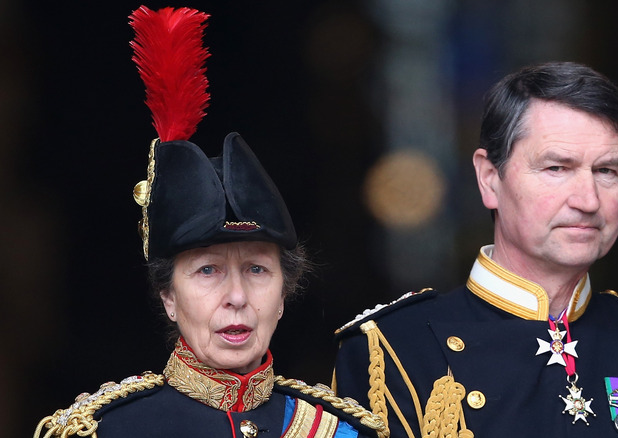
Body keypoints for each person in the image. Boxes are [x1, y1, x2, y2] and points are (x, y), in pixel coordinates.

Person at [332, 62, 618, 438]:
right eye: (556, 168)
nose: (588, 199)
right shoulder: (394, 353)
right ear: (490, 178)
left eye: (606, 171)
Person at [33, 6, 386, 438]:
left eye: (257, 270)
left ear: (283, 294)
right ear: (168, 296)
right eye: (207, 270)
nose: (236, 296)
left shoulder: (339, 432)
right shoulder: (106, 430)